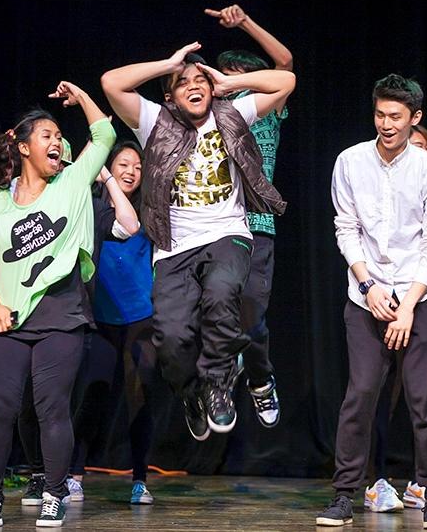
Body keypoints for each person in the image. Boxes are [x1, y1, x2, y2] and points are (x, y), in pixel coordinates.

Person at [100, 42, 294, 440]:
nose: (193, 85)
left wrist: (229, 82)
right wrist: (167, 63)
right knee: (172, 338)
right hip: (174, 246)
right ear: (169, 95)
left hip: (228, 233)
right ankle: (192, 392)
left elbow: (286, 79)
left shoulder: (233, 113)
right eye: (182, 82)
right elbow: (111, 83)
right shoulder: (155, 121)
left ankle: (220, 384)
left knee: (223, 295)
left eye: (200, 79)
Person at [0, 82, 116, 527]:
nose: (55, 142)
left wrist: (84, 97)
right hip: (6, 316)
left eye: (58, 136)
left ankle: (53, 493)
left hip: (61, 314)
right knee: (0, 409)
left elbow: (105, 135)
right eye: (46, 135)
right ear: (24, 146)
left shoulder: (71, 181)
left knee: (53, 408)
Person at [318, 74, 427, 529]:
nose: (386, 124)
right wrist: (368, 285)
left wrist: (409, 304)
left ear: (415, 118)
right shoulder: (350, 161)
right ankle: (343, 494)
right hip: (366, 293)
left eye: (396, 117)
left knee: (423, 401)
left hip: (422, 294)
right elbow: (346, 227)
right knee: (360, 393)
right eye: (380, 114)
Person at [365, 124, 427, 512]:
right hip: (382, 304)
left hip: (426, 306)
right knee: (378, 398)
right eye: (413, 146)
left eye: (424, 147)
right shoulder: (381, 182)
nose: (416, 152)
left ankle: (423, 484)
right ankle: (375, 481)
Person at [206, 3, 292, 427]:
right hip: (215, 226)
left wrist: (245, 23)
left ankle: (260, 378)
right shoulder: (210, 115)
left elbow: (285, 66)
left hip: (258, 226)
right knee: (212, 315)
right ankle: (214, 387)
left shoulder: (268, 112)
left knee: (252, 318)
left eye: (238, 78)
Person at [67, 140, 157, 505]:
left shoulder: (149, 213)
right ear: (108, 168)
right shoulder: (92, 208)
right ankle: (74, 473)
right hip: (100, 318)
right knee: (94, 393)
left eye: (137, 166)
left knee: (141, 398)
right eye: (123, 164)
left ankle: (140, 479)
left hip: (140, 318)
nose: (131, 171)